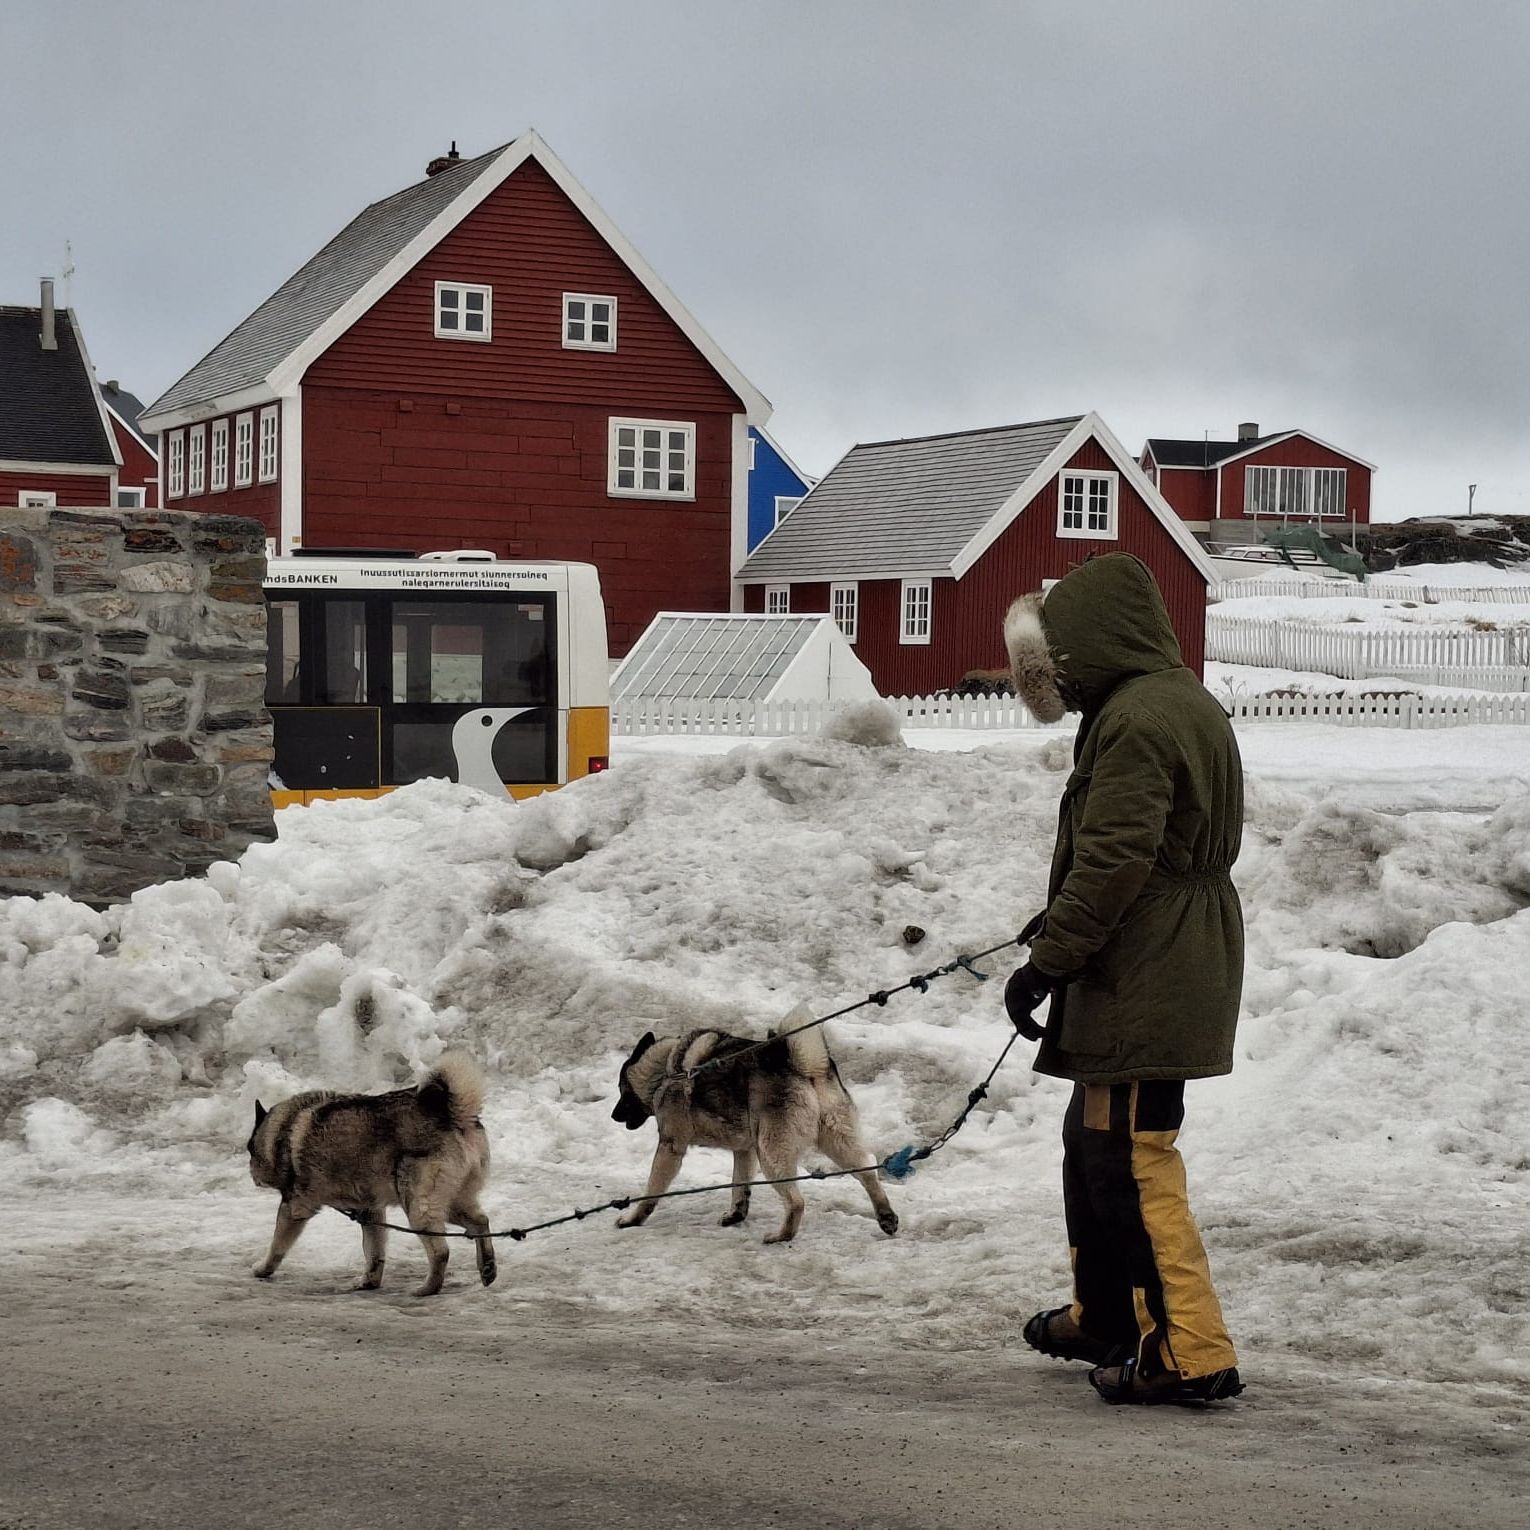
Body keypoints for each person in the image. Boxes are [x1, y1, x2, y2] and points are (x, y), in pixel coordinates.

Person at [1001, 553, 1245, 1407]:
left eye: (1059, 654)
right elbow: (1136, 851)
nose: (1054, 674)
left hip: (1151, 961)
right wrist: (1060, 934)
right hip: (1156, 950)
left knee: (1132, 1157)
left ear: (1091, 643)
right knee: (1092, 1142)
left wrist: (1049, 961)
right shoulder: (1168, 701)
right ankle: (1107, 1312)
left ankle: (1188, 1346)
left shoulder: (1138, 718)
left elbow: (1114, 862)